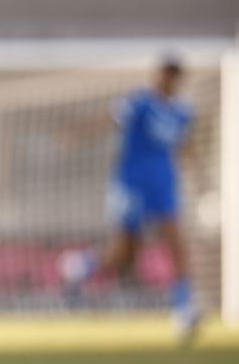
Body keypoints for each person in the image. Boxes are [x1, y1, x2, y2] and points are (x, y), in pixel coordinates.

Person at [64, 55, 197, 342]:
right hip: (132, 185)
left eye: (171, 77)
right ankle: (81, 267)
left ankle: (184, 309)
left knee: (176, 241)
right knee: (123, 255)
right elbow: (109, 120)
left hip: (163, 185)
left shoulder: (183, 112)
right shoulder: (140, 103)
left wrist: (200, 178)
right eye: (163, 75)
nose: (166, 81)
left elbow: (185, 146)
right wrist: (78, 133)